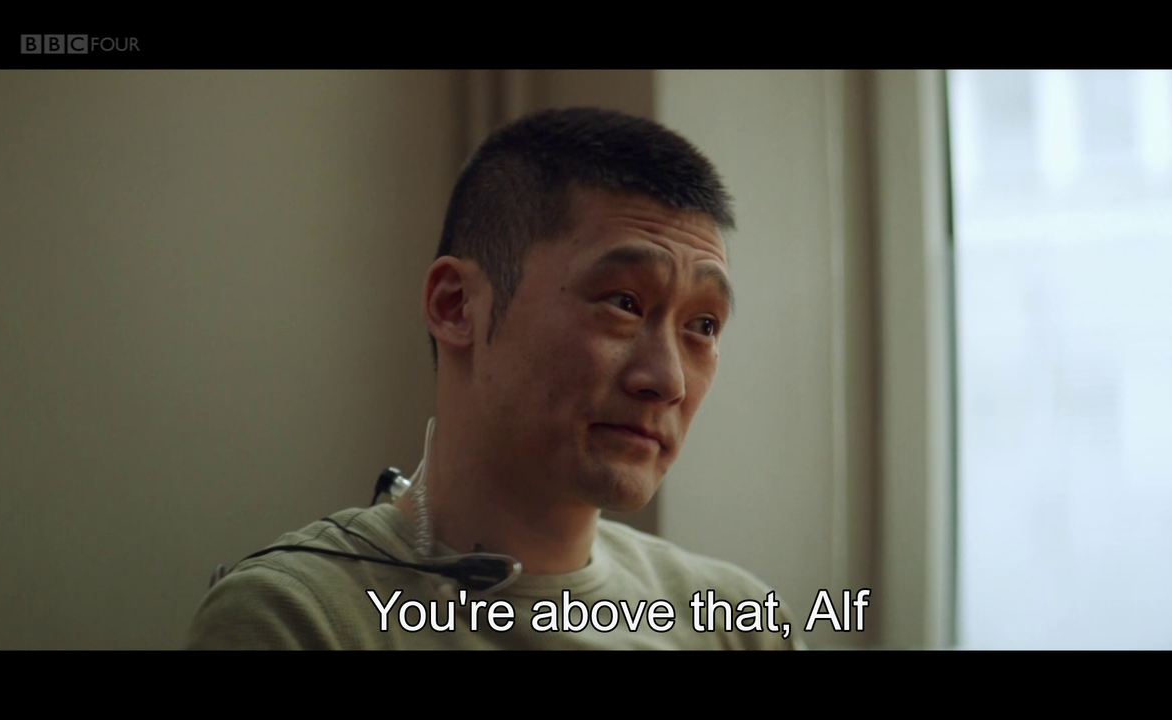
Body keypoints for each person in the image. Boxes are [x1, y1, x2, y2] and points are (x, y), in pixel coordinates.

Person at [186, 107, 804, 649]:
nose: (667, 380)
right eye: (623, 303)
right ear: (457, 306)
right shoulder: (297, 618)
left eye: (703, 325)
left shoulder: (736, 622)